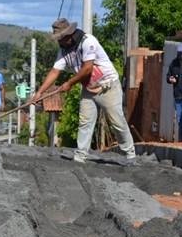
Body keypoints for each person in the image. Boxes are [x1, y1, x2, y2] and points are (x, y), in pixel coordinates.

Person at [30, 18, 135, 162]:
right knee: (85, 121)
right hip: (88, 88)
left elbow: (87, 68)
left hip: (107, 86)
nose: (58, 42)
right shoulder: (63, 50)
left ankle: (130, 153)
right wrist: (40, 92)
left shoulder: (88, 41)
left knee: (117, 121)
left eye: (60, 38)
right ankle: (80, 156)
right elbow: (55, 71)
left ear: (68, 35)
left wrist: (70, 83)